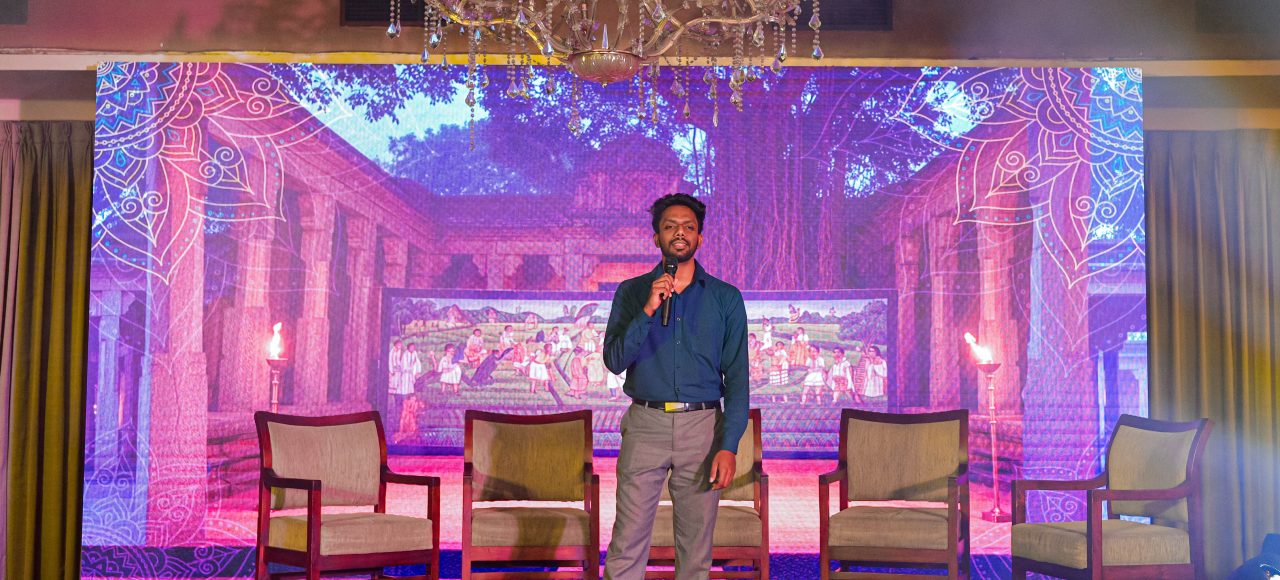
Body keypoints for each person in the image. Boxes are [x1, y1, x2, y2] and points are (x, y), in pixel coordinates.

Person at [603, 193, 749, 580]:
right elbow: (614, 360)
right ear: (656, 238)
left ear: (700, 237)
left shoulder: (725, 298)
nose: (679, 233)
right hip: (645, 425)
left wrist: (729, 446)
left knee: (695, 549)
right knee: (627, 542)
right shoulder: (632, 292)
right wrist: (649, 308)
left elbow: (737, 379)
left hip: (702, 429)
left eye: (688, 227)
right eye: (669, 226)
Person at [386, 339, 407, 433]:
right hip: (393, 371)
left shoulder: (399, 352)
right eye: (399, 345)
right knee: (393, 382)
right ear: (395, 345)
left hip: (398, 370)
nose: (400, 346)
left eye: (400, 345)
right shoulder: (392, 352)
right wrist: (391, 370)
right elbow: (391, 362)